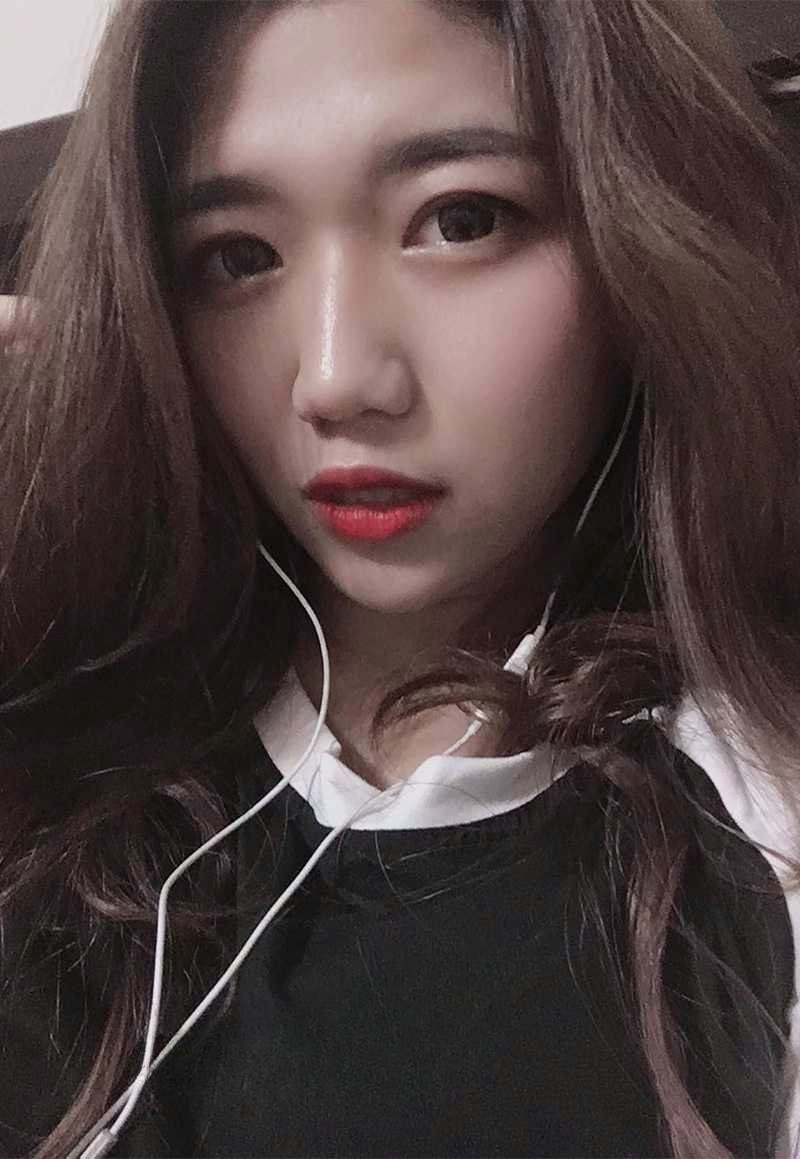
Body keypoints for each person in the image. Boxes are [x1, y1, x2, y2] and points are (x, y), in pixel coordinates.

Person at [1, 1, 799, 1156]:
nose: (334, 380)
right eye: (238, 256)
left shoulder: (757, 829)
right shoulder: (71, 719)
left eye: (460, 220)